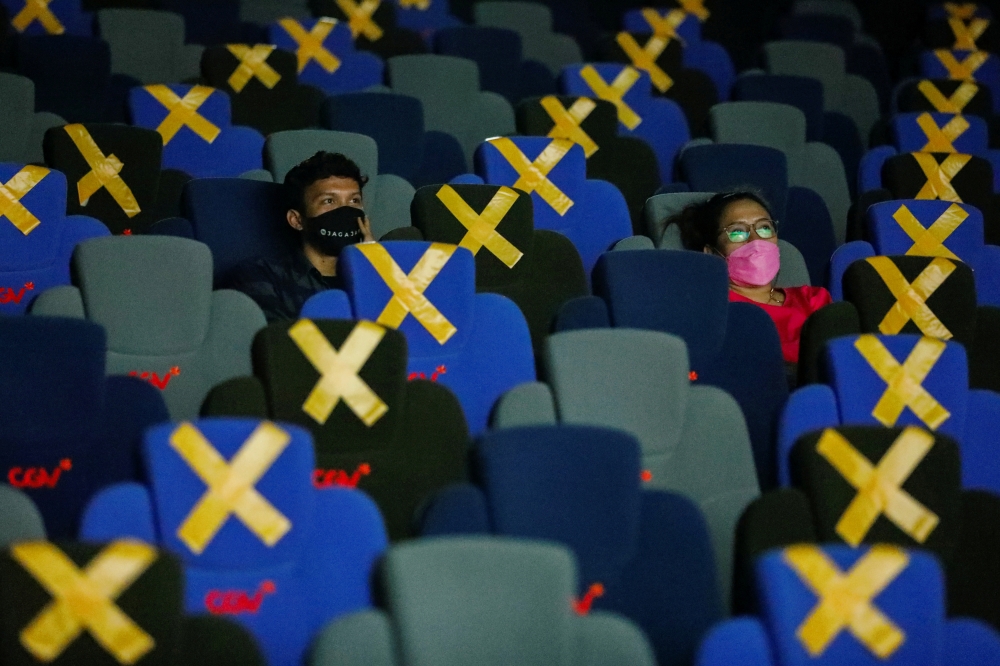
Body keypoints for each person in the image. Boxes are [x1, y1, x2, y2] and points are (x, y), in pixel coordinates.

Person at [673, 190, 831, 365]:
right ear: (712, 253)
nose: (756, 241)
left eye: (764, 227)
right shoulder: (715, 315)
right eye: (737, 232)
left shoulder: (813, 299)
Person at [227, 151, 375, 322]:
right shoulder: (262, 276)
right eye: (329, 201)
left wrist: (374, 267)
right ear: (297, 220)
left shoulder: (380, 275)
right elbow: (277, 344)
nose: (345, 211)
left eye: (354, 201)